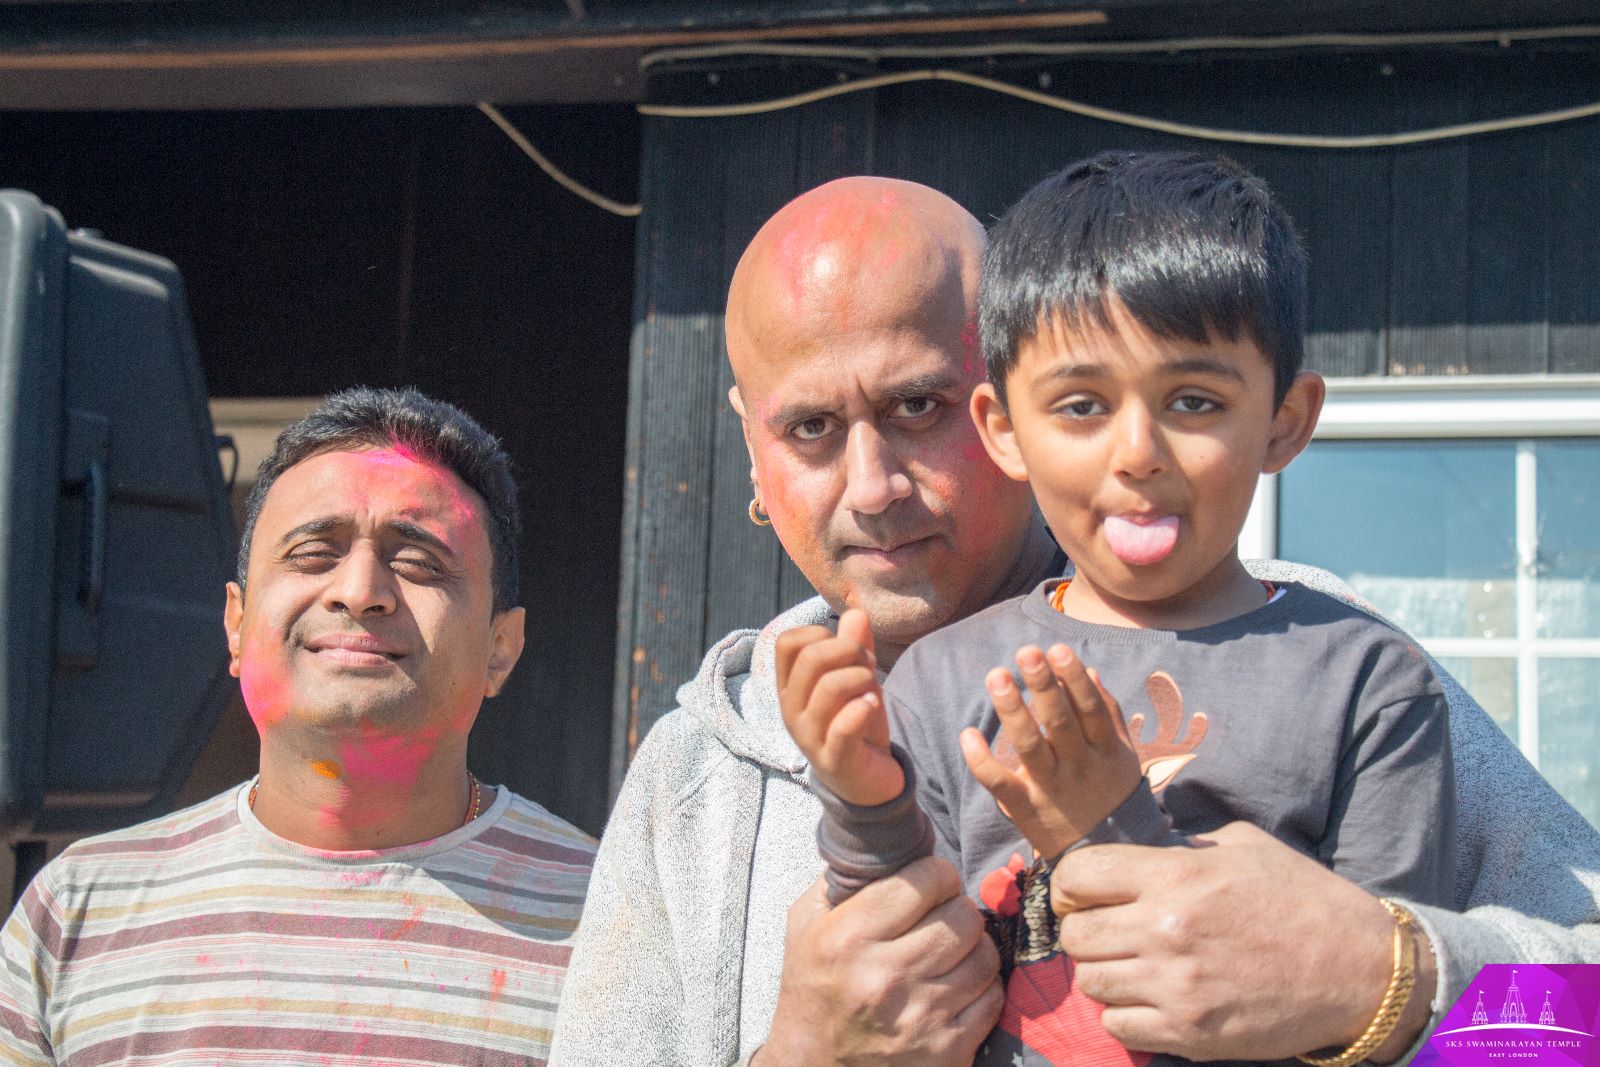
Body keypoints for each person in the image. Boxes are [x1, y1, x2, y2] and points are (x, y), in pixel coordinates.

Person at [550, 176, 1600, 1067]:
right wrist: (799, 1053)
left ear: (1002, 404)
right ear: (751, 447)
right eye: (812, 427)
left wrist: (1384, 974)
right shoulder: (697, 778)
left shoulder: (1317, 659)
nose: (872, 486)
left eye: (917, 406)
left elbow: (1582, 1023)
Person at [781, 152, 1456, 1067]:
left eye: (1194, 400)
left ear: (1285, 420)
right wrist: (864, 798)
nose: (1137, 451)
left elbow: (1404, 1019)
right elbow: (900, 974)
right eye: (1080, 406)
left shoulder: (1365, 682)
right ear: (1004, 429)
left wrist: (1109, 826)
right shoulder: (941, 677)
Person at [0, 387, 596, 1066]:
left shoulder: (616, 917)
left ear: (501, 647)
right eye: (314, 553)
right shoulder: (78, 915)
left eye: (418, 562)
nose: (359, 590)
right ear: (236, 622)